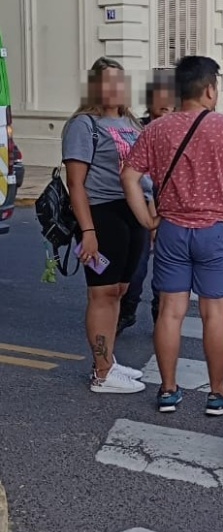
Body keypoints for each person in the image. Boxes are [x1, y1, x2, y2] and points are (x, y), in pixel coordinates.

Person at [122, 56, 223, 415]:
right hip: (214, 232)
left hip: (171, 230)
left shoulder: (156, 129)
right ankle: (218, 394)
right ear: (209, 90)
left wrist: (148, 219)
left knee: (170, 312)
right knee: (214, 315)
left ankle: (168, 390)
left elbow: (129, 176)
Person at [61, 56, 148, 394]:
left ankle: (108, 361)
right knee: (102, 293)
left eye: (119, 81)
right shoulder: (85, 125)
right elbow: (76, 184)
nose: (115, 88)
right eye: (107, 82)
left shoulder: (131, 122)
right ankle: (101, 373)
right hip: (101, 214)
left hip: (131, 213)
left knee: (120, 291)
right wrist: (88, 232)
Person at [117, 72, 177, 335]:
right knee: (136, 267)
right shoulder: (135, 130)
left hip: (173, 210)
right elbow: (134, 177)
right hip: (141, 207)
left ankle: (160, 315)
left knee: (165, 272)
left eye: (170, 98)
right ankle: (126, 311)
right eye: (159, 97)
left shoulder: (180, 131)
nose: (165, 103)